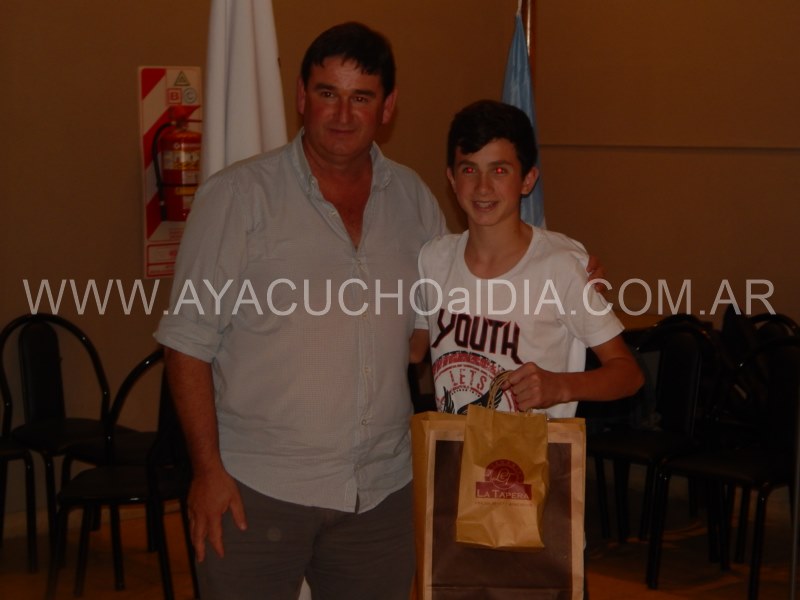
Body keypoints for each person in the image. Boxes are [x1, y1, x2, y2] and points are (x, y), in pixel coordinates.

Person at [156, 22, 607, 600]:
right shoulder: (237, 197)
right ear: (301, 97)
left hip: (381, 499)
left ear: (387, 107)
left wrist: (567, 267)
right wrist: (207, 472)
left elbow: (453, 305)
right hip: (257, 490)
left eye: (361, 97)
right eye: (327, 93)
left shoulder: (414, 199)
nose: (343, 114)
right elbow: (186, 343)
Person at [413, 99, 644, 416]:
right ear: (452, 179)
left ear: (527, 180)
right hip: (453, 447)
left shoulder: (560, 266)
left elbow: (628, 375)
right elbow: (414, 349)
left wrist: (560, 386)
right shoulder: (433, 259)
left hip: (533, 447)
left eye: (499, 170)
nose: (482, 187)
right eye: (469, 169)